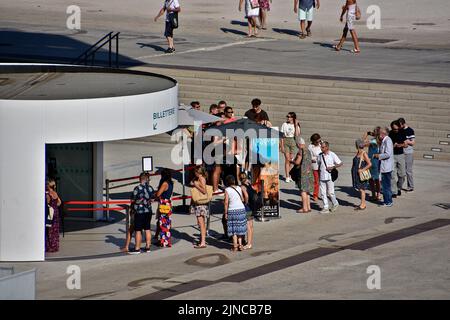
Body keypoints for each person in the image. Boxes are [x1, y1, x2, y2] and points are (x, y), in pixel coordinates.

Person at [128, 173, 154, 254]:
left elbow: (132, 200)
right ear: (147, 179)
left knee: (138, 230)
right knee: (147, 228)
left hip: (139, 212)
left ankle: (137, 248)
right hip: (148, 211)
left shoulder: (137, 188)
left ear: (140, 179)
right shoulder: (150, 188)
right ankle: (148, 247)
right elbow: (152, 199)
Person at [317, 141, 343, 213]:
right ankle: (325, 207)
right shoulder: (320, 155)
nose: (321, 148)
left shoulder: (332, 154)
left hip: (330, 176)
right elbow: (319, 164)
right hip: (322, 176)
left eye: (323, 147)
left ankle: (335, 203)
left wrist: (333, 167)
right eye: (321, 147)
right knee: (322, 193)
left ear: (327, 147)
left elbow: (340, 163)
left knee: (330, 192)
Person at [224, 175, 248, 251]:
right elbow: (243, 198)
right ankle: (240, 245)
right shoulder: (239, 188)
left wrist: (225, 213)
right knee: (240, 228)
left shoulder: (227, 190)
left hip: (232, 210)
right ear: (234, 181)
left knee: (233, 229)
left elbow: (226, 202)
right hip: (241, 209)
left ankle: (235, 246)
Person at [291, 137, 314, 213]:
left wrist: (292, 161)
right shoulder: (308, 151)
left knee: (303, 191)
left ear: (299, 144)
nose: (297, 146)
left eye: (297, 145)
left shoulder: (300, 151)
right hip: (309, 172)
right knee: (307, 191)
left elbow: (297, 162)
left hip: (303, 173)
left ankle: (304, 208)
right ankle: (308, 207)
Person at [189, 167, 210, 249]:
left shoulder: (202, 179)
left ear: (198, 172)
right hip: (199, 204)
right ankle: (202, 240)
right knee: (201, 222)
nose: (194, 173)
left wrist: (196, 185)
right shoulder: (200, 178)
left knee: (201, 223)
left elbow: (204, 191)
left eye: (195, 172)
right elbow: (191, 183)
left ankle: (203, 242)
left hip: (201, 203)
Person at [154, 168, 174, 247]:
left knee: (163, 223)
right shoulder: (171, 183)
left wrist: (155, 194)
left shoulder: (165, 183)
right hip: (168, 203)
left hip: (164, 203)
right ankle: (167, 240)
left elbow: (158, 194)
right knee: (167, 223)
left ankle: (163, 241)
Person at [374, 127, 394, 207]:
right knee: (386, 185)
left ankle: (388, 202)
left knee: (386, 185)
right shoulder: (385, 140)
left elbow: (388, 154)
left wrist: (378, 155)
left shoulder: (387, 140)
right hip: (385, 166)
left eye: (379, 134)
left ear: (382, 134)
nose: (378, 136)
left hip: (386, 167)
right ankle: (388, 201)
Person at [351, 139, 372, 210]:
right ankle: (362, 203)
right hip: (356, 174)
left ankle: (363, 204)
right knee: (360, 189)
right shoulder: (358, 153)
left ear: (357, 145)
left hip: (361, 174)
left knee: (362, 189)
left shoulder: (363, 153)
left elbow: (369, 164)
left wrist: (362, 170)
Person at [389, 120, 407, 198]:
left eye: (396, 129)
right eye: (394, 129)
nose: (395, 130)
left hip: (400, 155)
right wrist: (393, 145)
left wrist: (400, 145)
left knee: (402, 174)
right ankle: (394, 191)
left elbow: (406, 144)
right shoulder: (390, 133)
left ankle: (398, 187)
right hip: (392, 156)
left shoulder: (402, 132)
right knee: (392, 174)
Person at [280, 112, 300, 182]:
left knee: (291, 160)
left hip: (293, 141)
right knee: (287, 159)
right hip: (286, 140)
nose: (288, 118)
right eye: (287, 116)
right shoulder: (284, 124)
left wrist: (296, 125)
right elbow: (281, 136)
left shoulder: (296, 125)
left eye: (289, 117)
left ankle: (290, 175)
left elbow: (297, 135)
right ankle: (287, 176)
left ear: (293, 118)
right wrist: (281, 146)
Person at [239, 172, 256, 250]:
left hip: (247, 207)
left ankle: (248, 243)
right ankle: (250, 242)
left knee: (248, 226)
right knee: (251, 225)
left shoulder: (242, 186)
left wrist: (245, 202)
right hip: (252, 206)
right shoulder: (249, 183)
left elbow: (246, 196)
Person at [364, 127, 382, 201]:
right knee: (377, 179)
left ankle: (374, 194)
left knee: (371, 179)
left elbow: (362, 143)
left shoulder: (373, 141)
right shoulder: (381, 141)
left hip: (371, 161)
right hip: (377, 161)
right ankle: (378, 194)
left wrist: (367, 134)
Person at [398, 117, 415, 192]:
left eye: (400, 125)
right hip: (401, 152)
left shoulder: (410, 130)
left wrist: (407, 141)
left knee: (408, 171)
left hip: (408, 153)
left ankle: (410, 186)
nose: (399, 127)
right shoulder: (399, 130)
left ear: (403, 124)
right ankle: (399, 186)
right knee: (401, 171)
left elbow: (413, 142)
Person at [45, 178, 62, 253]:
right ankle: (55, 246)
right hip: (56, 212)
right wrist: (55, 206)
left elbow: (47, 204)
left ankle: (49, 246)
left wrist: (50, 206)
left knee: (49, 230)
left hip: (50, 213)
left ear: (49, 186)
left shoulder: (48, 194)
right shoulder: (55, 193)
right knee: (55, 230)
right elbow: (59, 202)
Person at [308, 133, 322, 201]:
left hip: (323, 166)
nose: (319, 142)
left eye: (319, 140)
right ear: (313, 141)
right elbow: (309, 157)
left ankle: (323, 194)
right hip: (315, 166)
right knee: (316, 181)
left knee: (323, 181)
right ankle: (315, 195)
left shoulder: (321, 144)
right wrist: (316, 158)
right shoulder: (310, 147)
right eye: (317, 141)